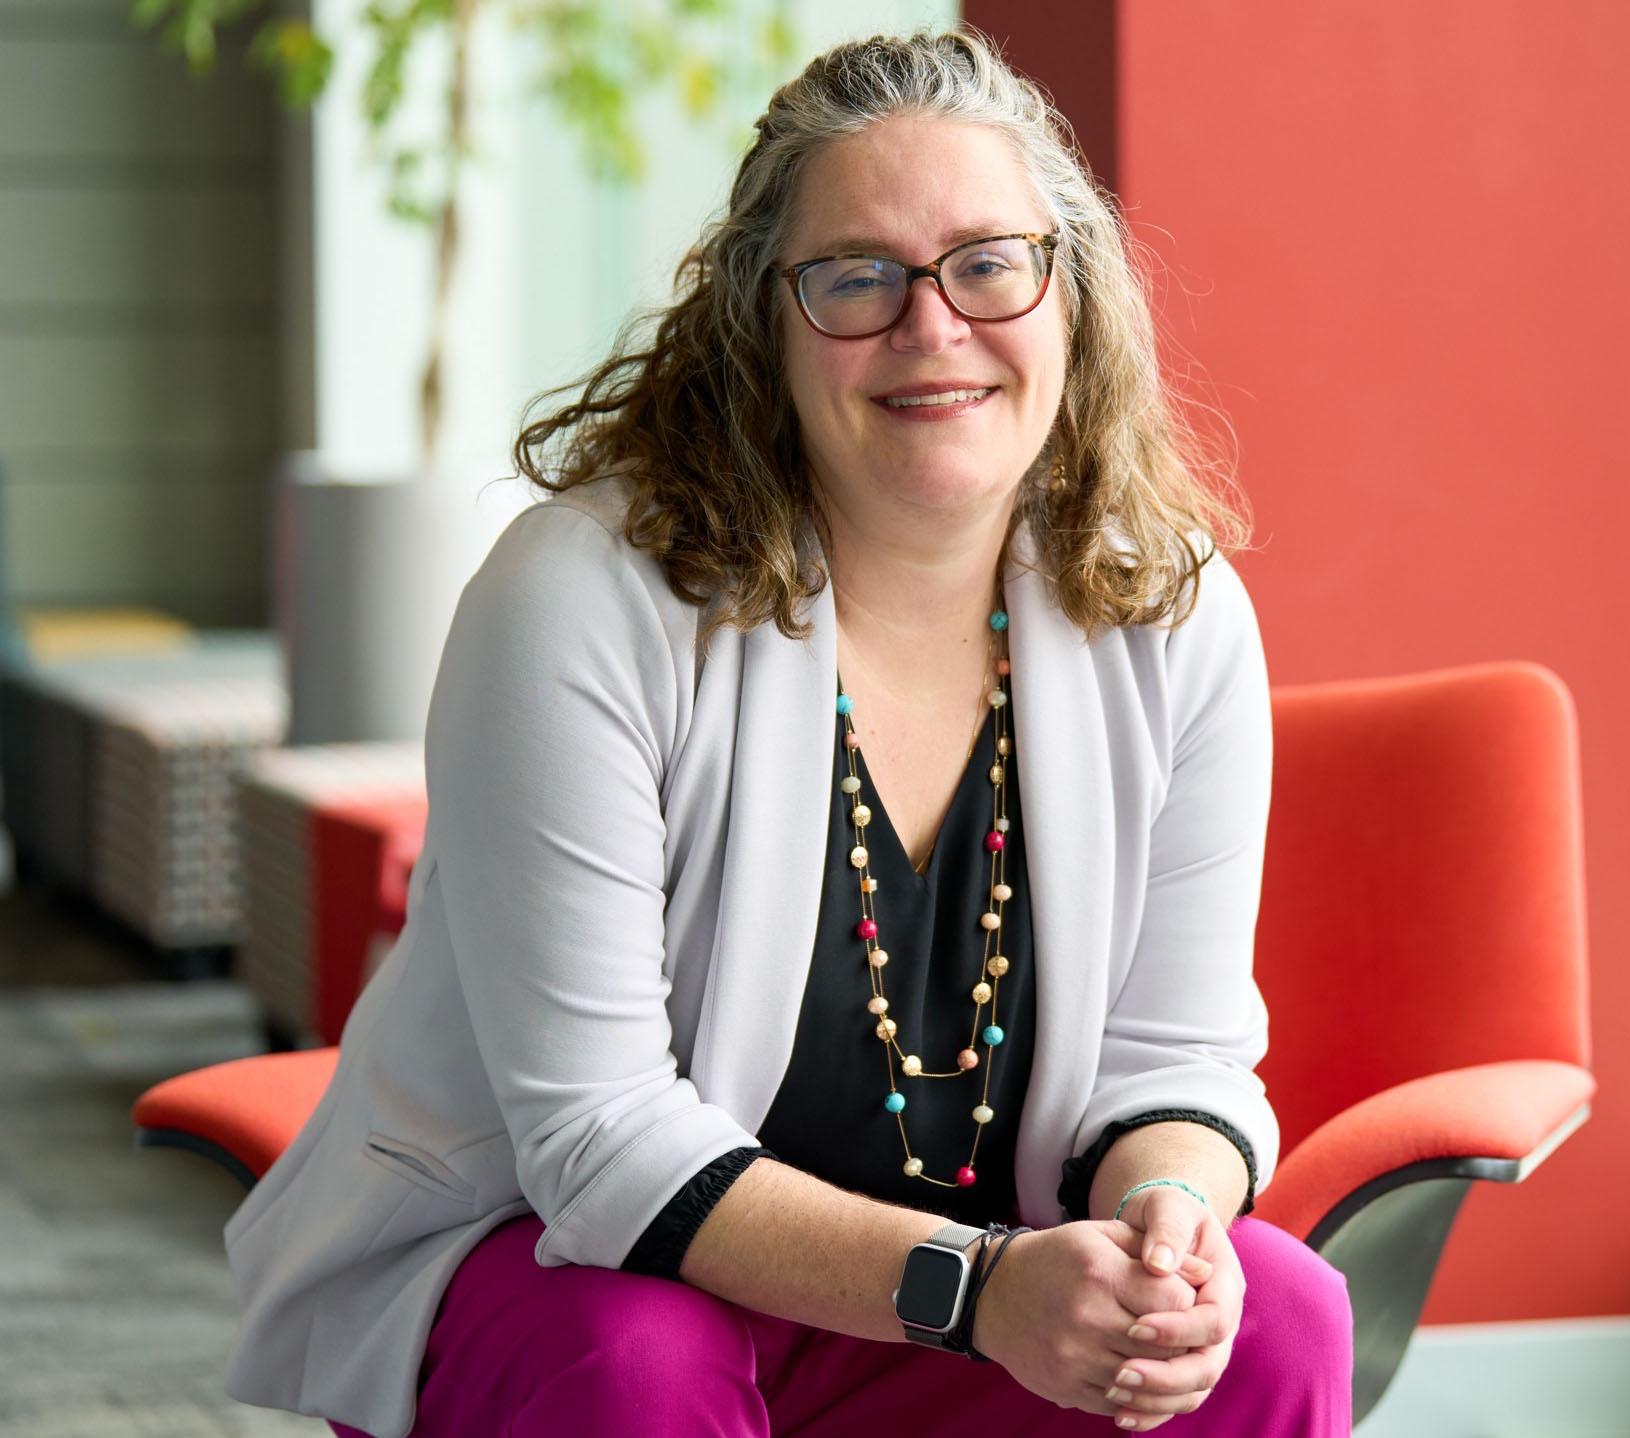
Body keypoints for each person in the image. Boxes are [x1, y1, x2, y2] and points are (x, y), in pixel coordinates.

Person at [222, 28, 1352, 1438]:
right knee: (641, 1356)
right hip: (567, 1272)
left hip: (968, 1287)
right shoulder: (580, 602)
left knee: (1274, 1315)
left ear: (1074, 300)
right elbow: (597, 1142)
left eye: (989, 262)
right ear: (764, 323)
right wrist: (978, 1287)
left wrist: (1166, 1228)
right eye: (856, 279)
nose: (931, 327)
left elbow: (1175, 1062)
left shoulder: (1171, 613)